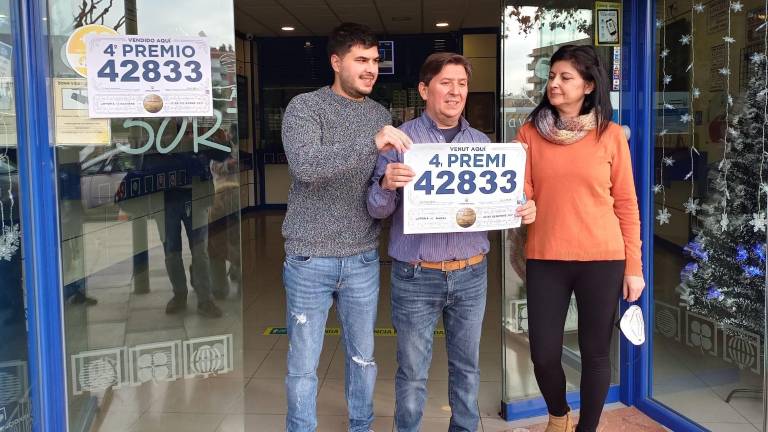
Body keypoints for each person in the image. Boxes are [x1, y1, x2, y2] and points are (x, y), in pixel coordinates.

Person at [367, 52, 536, 432]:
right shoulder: (400, 143)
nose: (455, 92)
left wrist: (521, 209)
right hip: (415, 275)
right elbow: (377, 211)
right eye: (446, 83)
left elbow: (502, 204)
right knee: (412, 371)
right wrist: (385, 184)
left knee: (468, 367)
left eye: (462, 84)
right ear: (425, 89)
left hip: (471, 274)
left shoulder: (481, 144)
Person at [281, 22, 411, 432]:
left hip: (361, 257)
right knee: (303, 364)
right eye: (361, 60)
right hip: (309, 255)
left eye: (374, 60)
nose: (371, 68)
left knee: (364, 357)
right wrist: (371, 143)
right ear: (337, 63)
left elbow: (375, 181)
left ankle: (362, 425)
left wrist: (389, 182)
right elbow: (307, 167)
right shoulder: (305, 108)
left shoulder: (379, 114)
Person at [516, 45, 645, 432]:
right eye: (551, 76)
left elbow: (626, 203)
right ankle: (558, 414)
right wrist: (523, 206)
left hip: (603, 259)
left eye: (565, 77)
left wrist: (634, 268)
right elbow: (520, 192)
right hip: (545, 257)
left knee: (595, 355)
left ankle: (587, 428)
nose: (554, 84)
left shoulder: (610, 135)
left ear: (588, 85)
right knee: (543, 354)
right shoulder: (529, 132)